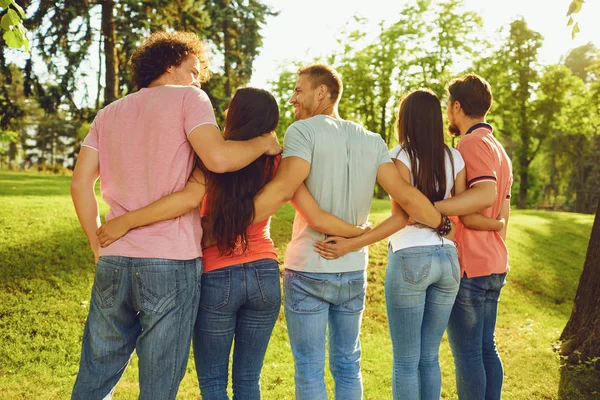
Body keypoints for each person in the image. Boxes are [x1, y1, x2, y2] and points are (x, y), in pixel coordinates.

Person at [95, 87, 371, 400]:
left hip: (216, 276)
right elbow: (314, 214)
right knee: (248, 382)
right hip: (264, 275)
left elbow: (188, 202)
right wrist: (357, 231)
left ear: (235, 115)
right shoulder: (278, 163)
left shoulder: (211, 159)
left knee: (213, 384)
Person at [69, 31, 280, 400]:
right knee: (159, 383)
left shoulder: (109, 112)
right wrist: (263, 143)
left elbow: (80, 183)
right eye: (193, 70)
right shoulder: (189, 98)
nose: (198, 80)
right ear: (170, 66)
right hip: (171, 260)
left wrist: (96, 243)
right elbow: (218, 159)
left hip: (114, 258)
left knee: (95, 374)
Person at [250, 65, 453, 400]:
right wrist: (440, 223)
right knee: (348, 363)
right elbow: (404, 200)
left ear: (322, 92)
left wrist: (230, 224)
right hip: (352, 270)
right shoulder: (372, 140)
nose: (292, 98)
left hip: (309, 266)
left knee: (310, 367)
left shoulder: (301, 132)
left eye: (299, 90)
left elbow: (284, 188)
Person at [313, 89, 504, 400]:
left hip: (410, 259)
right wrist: (445, 223)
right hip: (448, 260)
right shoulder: (454, 156)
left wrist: (352, 244)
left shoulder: (399, 155)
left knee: (405, 359)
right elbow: (459, 209)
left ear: (406, 120)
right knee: (429, 356)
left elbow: (400, 218)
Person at [437, 74, 513, 400]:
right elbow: (503, 212)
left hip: (472, 267)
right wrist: (495, 228)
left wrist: (431, 206)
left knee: (468, 354)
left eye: (448, 107)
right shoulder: (499, 148)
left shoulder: (470, 143)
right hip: (495, 263)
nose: (448, 115)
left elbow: (485, 195)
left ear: (457, 106)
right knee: (485, 348)